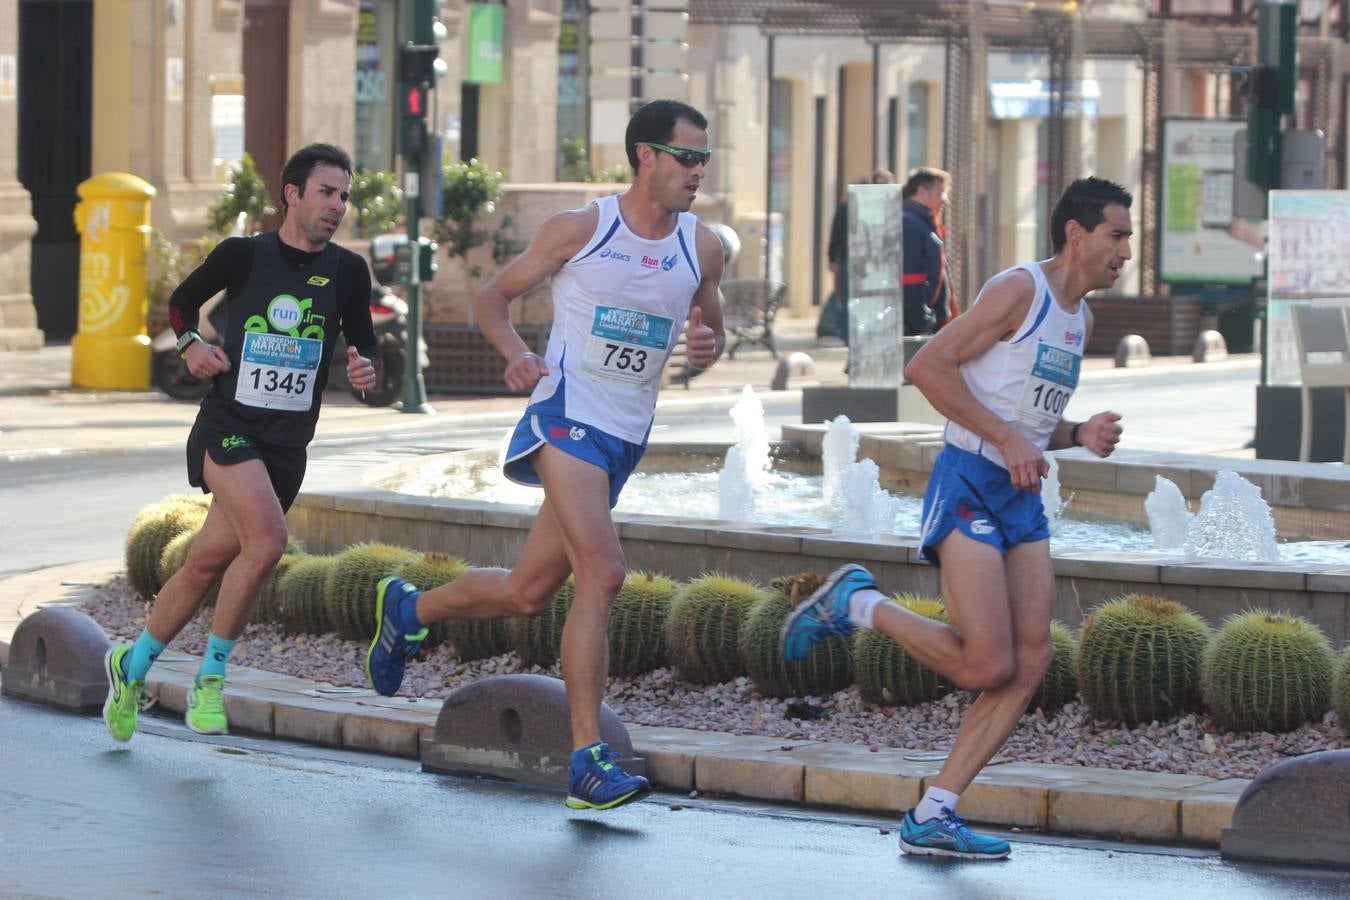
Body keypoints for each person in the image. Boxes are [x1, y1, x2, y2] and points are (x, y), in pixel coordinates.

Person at [364, 100, 725, 811]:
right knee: (604, 572)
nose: (698, 171)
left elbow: (711, 330)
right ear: (645, 156)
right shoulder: (582, 230)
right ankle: (587, 762)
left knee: (528, 593)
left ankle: (409, 610)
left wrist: (711, 348)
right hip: (567, 417)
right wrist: (517, 354)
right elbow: (492, 298)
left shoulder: (702, 246)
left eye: (705, 158)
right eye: (687, 156)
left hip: (624, 435)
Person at [781, 176, 1130, 860]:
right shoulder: (1019, 291)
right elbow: (929, 367)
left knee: (1030, 660)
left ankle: (935, 811)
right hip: (969, 478)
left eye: (1128, 237)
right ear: (1076, 233)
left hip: (1019, 495)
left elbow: (1025, 417)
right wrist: (1005, 440)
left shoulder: (1080, 318)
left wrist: (1077, 431)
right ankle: (858, 604)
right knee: (984, 664)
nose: (1125, 250)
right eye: (1117, 234)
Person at [102, 143, 378, 741]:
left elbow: (363, 343)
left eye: (344, 196)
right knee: (269, 541)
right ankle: (211, 681)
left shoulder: (349, 271)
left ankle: (133, 664)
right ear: (293, 194)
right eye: (327, 192)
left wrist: (365, 369)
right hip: (228, 425)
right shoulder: (244, 256)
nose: (338, 206)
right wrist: (192, 345)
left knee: (203, 564)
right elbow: (181, 304)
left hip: (287, 446)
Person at [901, 166, 956, 336]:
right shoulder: (910, 223)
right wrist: (922, 321)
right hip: (916, 325)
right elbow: (911, 276)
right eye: (940, 193)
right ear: (922, 191)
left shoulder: (924, 222)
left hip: (926, 320)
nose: (944, 200)